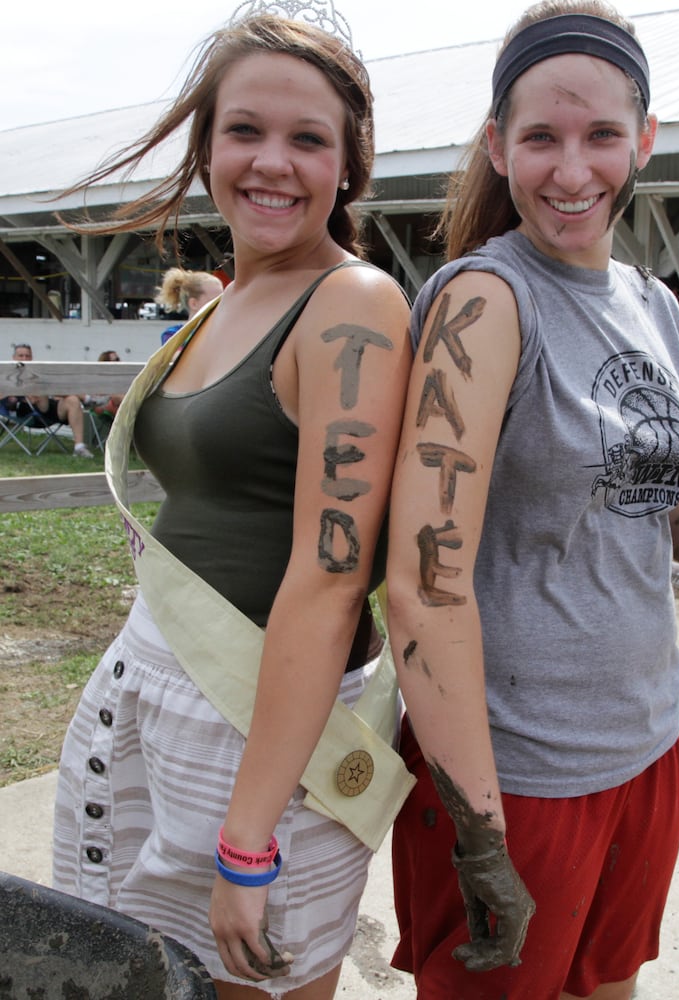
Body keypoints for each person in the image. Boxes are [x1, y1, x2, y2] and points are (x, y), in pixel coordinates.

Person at [384, 3, 679, 999]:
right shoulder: (484, 302)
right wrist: (475, 826)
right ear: (495, 146)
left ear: (642, 139)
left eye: (600, 134)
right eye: (540, 138)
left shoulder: (652, 304)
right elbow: (423, 585)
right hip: (516, 771)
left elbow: (634, 496)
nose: (570, 169)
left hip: (646, 737)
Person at [51, 5, 411, 999]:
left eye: (308, 139)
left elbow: (331, 580)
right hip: (156, 690)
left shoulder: (352, 305)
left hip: (264, 737)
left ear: (348, 162)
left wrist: (247, 841)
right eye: (245, 130)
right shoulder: (220, 301)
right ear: (207, 142)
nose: (272, 162)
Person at [1, 343, 93, 457]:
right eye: (21, 356)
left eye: (27, 356)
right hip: (27, 412)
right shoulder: (5, 376)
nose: (25, 359)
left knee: (72, 400)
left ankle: (79, 447)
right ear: (14, 358)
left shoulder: (36, 373)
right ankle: (86, 398)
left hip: (46, 407)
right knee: (42, 386)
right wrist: (22, 394)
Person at [156, 267, 225, 344]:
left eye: (223, 300)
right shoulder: (173, 335)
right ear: (194, 304)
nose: (221, 305)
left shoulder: (225, 332)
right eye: (214, 301)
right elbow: (179, 355)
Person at [88, 350, 124, 418]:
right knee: (119, 397)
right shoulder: (100, 378)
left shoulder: (120, 378)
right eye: (116, 360)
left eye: (119, 359)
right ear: (106, 363)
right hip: (103, 405)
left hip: (117, 406)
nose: (120, 362)